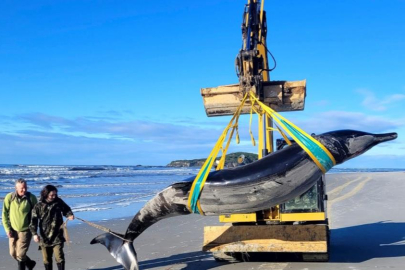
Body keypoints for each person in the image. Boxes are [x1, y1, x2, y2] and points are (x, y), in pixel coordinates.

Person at [29, 185, 74, 270]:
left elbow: (66, 209)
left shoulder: (58, 202)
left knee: (59, 257)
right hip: (44, 237)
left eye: (55, 195)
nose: (54, 197)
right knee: (46, 259)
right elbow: (33, 221)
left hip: (58, 235)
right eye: (52, 195)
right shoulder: (38, 206)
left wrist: (69, 215)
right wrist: (34, 234)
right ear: (45, 194)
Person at [2, 178, 38, 270]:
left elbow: (36, 215)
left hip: (25, 231)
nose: (24, 190)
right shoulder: (9, 197)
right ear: (16, 188)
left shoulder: (31, 198)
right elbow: (4, 214)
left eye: (25, 187)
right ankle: (30, 263)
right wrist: (7, 229)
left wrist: (35, 232)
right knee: (13, 254)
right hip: (12, 230)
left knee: (20, 255)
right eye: (22, 188)